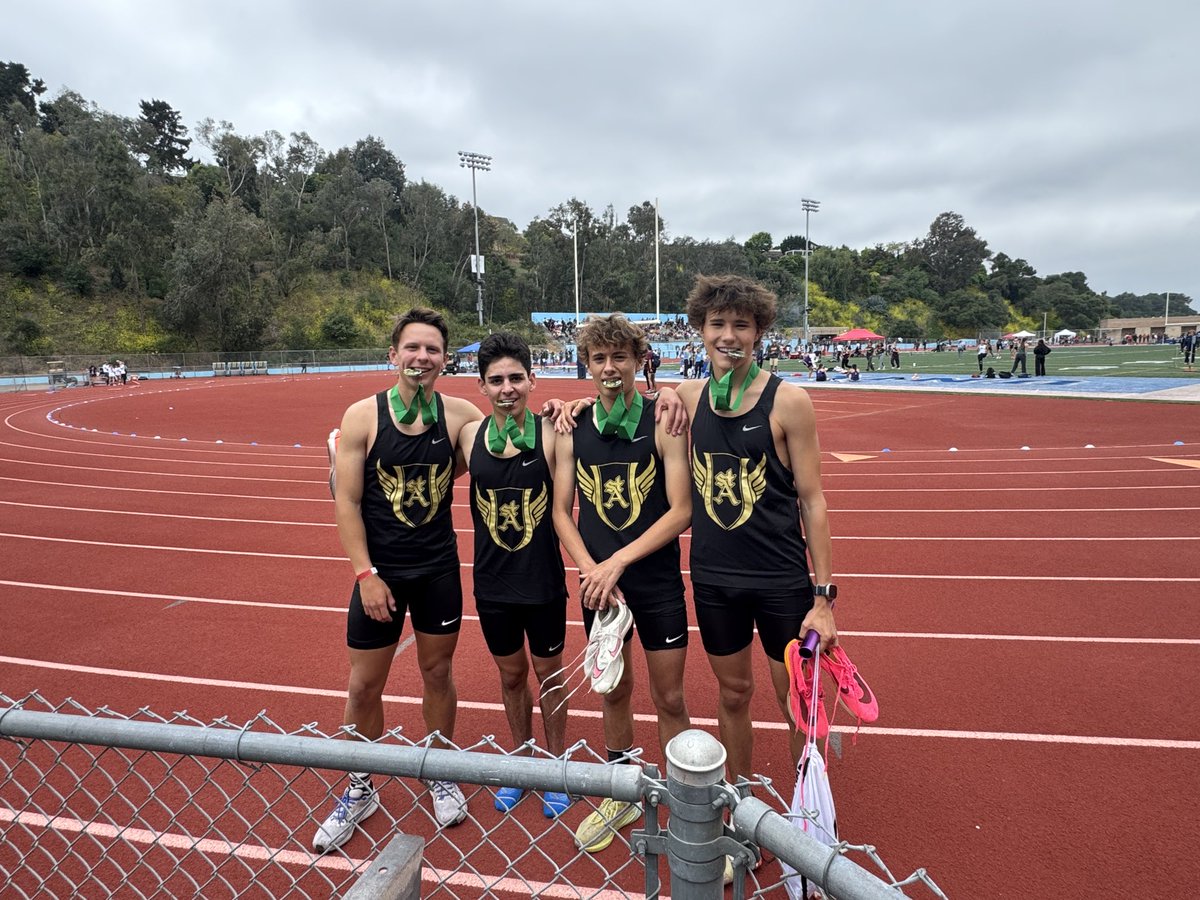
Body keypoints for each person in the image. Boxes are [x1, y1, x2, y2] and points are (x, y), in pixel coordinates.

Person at [314, 307, 485, 853]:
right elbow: (347, 503)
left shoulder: (459, 414)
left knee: (437, 672)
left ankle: (436, 769)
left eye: (432, 349)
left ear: (444, 359)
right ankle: (360, 786)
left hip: (436, 569)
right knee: (364, 684)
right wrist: (365, 574)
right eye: (412, 348)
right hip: (379, 575)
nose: (422, 357)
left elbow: (505, 439)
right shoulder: (363, 416)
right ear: (394, 356)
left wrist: (566, 407)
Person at [674, 274, 837, 786]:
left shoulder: (789, 401)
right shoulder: (686, 395)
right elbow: (623, 417)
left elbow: (812, 500)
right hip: (715, 579)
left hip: (780, 580)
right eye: (717, 323)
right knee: (732, 694)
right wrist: (572, 407)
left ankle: (809, 817)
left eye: (741, 325)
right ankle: (738, 801)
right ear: (699, 329)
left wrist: (824, 599)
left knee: (799, 700)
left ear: (759, 332)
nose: (728, 335)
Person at [552, 313, 692, 855]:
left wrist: (617, 564)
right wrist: (593, 568)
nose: (610, 369)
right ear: (585, 364)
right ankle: (621, 790)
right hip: (598, 588)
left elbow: (681, 510)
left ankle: (684, 799)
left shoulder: (663, 419)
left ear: (638, 360)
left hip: (654, 581)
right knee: (612, 689)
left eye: (620, 358)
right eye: (599, 359)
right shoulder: (572, 426)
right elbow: (563, 512)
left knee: (670, 694)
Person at [458, 333, 573, 818]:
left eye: (516, 378)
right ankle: (523, 760)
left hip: (543, 580)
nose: (507, 388)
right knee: (510, 676)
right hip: (493, 583)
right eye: (496, 380)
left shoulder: (553, 434)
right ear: (482, 387)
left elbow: (566, 511)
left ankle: (555, 767)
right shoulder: (469, 437)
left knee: (549, 675)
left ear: (532, 380)